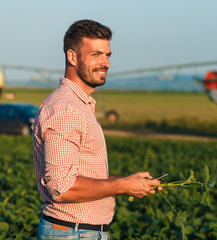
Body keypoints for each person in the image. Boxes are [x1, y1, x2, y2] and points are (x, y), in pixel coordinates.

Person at [33, 19, 162, 240]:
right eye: (96, 55)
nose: (106, 63)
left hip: (79, 232)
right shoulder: (65, 109)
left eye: (107, 55)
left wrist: (129, 182)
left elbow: (83, 176)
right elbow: (63, 187)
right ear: (72, 57)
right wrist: (123, 186)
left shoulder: (79, 105)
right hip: (73, 233)